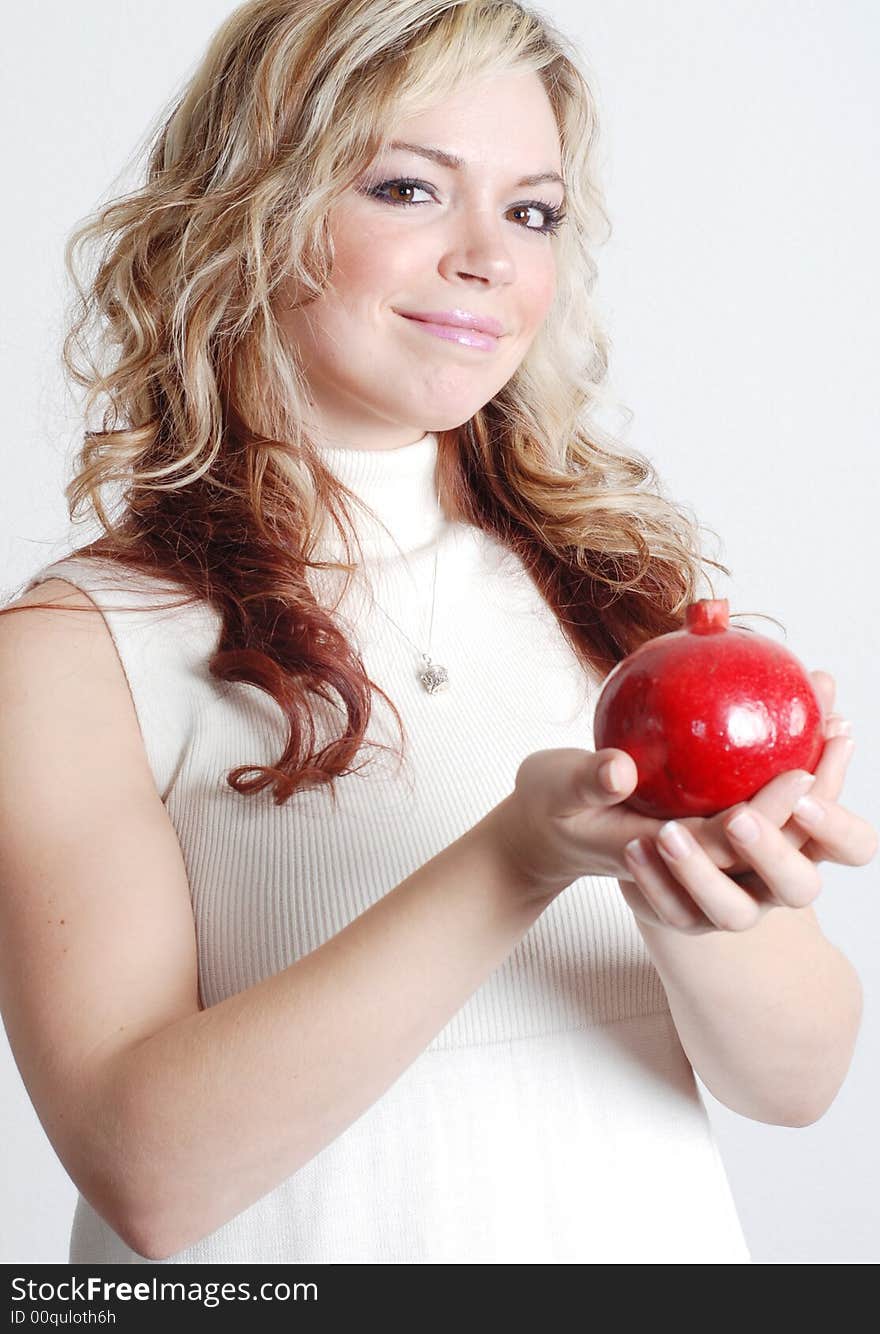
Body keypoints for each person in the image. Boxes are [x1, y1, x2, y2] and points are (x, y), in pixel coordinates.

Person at [0, 0, 873, 1266]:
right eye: (410, 189)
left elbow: (796, 1085)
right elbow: (149, 1175)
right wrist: (517, 855)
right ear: (252, 212)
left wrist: (701, 907)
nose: (490, 258)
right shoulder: (73, 651)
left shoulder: (623, 608)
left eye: (532, 211)